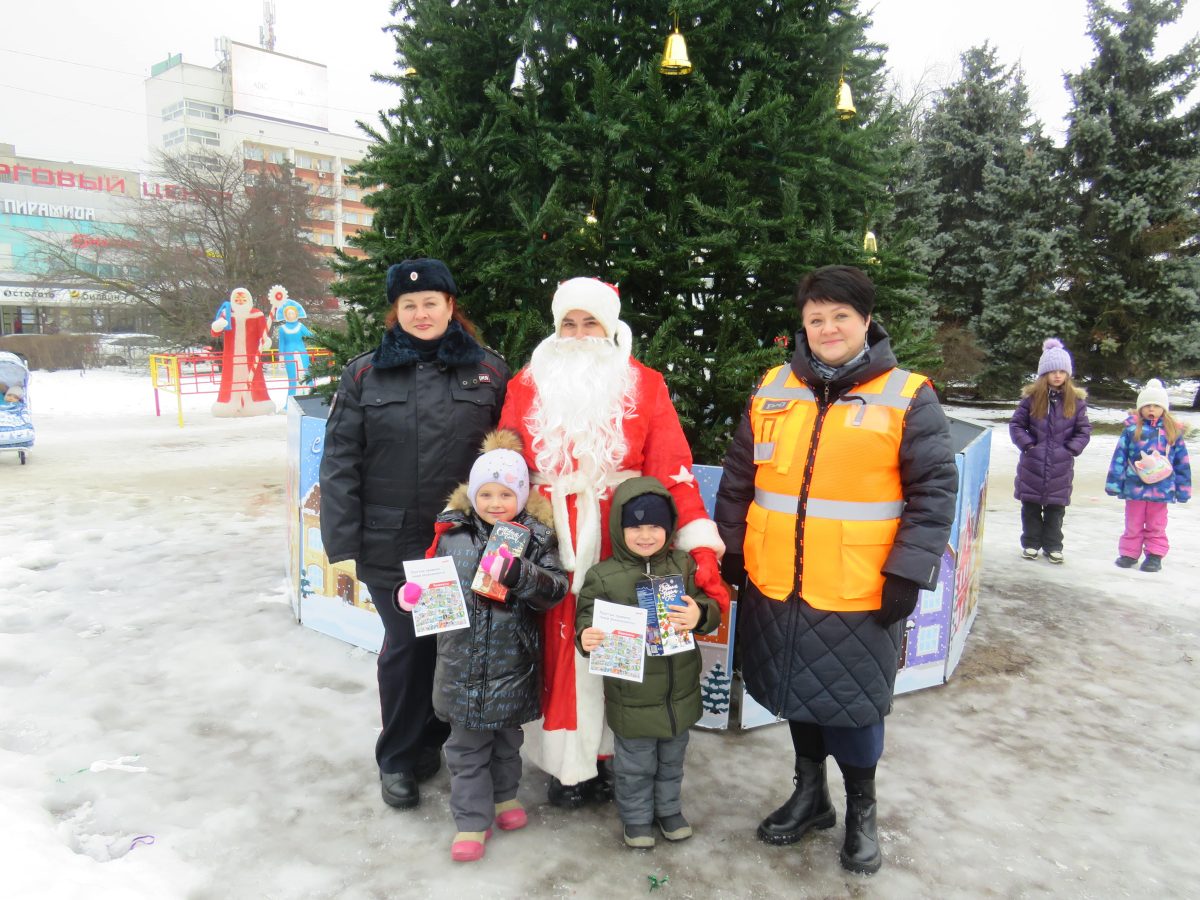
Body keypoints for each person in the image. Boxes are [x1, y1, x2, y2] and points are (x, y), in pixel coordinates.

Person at [714, 265, 957, 876]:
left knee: (854, 706)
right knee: (800, 693)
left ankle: (861, 813)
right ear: (802, 324)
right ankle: (810, 795)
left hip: (860, 587)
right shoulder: (772, 388)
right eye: (815, 318)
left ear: (866, 322)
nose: (827, 329)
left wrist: (907, 573)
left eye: (840, 317)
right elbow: (740, 478)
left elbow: (934, 493)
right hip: (778, 580)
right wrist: (733, 548)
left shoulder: (907, 395)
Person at [497, 276, 728, 808]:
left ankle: (604, 758)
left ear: (611, 327)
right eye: (568, 324)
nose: (579, 335)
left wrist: (692, 543)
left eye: (590, 323)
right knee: (556, 645)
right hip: (549, 532)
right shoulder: (525, 384)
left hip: (622, 535)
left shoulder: (644, 384)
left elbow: (672, 468)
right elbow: (506, 465)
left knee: (615, 638)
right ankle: (561, 765)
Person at [319, 258, 510, 811]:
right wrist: (344, 541)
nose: (421, 313)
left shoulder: (489, 372)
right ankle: (399, 758)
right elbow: (339, 463)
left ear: (451, 308)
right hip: (392, 544)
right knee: (407, 647)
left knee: (451, 643)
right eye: (409, 305)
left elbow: (509, 458)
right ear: (394, 312)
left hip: (462, 543)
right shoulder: (364, 374)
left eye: (431, 303)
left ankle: (443, 745)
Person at [402, 430, 568, 862]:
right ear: (472, 495)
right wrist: (412, 598)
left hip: (513, 666)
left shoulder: (536, 536)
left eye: (506, 494)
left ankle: (504, 798)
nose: (496, 503)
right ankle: (472, 823)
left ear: (522, 495)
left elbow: (554, 590)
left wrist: (519, 573)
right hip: (460, 666)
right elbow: (430, 584)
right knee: (466, 749)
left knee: (506, 742)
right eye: (486, 494)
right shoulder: (450, 533)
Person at [576, 478, 720, 849]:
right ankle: (637, 819)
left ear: (669, 527)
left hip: (679, 695)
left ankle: (669, 811)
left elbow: (711, 609)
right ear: (618, 529)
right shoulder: (602, 577)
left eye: (654, 525)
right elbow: (586, 622)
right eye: (635, 526)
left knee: (671, 762)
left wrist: (698, 614)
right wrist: (586, 638)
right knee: (635, 766)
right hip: (632, 696)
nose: (645, 535)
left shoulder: (684, 566)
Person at [1008, 338, 1092, 564]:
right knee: (1031, 507)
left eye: (1062, 371)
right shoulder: (1032, 399)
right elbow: (1016, 424)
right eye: (1053, 371)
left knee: (1056, 509)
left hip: (1061, 465)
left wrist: (1070, 450)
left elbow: (1083, 430)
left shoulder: (1075, 401)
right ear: (1044, 373)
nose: (1057, 376)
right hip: (1033, 463)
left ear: (1068, 374)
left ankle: (1053, 545)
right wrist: (1028, 445)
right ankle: (1031, 543)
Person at [1105, 378, 1191, 572]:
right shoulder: (1131, 431)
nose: (1151, 409)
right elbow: (1120, 457)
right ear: (1140, 408)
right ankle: (1129, 553)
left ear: (1164, 409)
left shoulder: (1172, 433)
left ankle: (1154, 555)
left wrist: (1183, 489)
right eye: (1147, 405)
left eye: (1156, 406)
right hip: (1135, 487)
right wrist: (1114, 483)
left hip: (1161, 489)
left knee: (1156, 524)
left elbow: (1182, 463)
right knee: (1133, 522)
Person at [210, 287, 275, 417]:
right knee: (231, 379)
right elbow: (215, 332)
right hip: (231, 355)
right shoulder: (227, 313)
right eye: (237, 299)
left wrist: (266, 341)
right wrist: (218, 325)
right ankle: (230, 403)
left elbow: (262, 333)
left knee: (254, 378)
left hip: (251, 356)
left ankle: (257, 401)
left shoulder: (257, 314)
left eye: (243, 299)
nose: (240, 301)